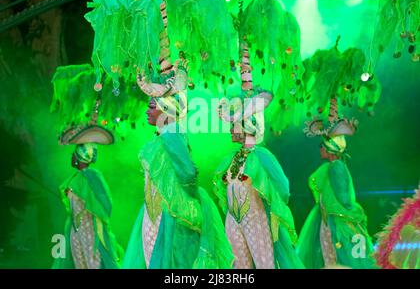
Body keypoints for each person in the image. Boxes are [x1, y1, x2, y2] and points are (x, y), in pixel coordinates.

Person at [123, 86, 233, 269]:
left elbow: (188, 172)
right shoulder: (163, 136)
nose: (147, 111)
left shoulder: (172, 133)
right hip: (154, 212)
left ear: (165, 109)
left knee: (171, 262)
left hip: (169, 210)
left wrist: (184, 198)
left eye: (152, 107)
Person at [213, 88, 304, 269]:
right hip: (233, 219)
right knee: (238, 266)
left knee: (265, 264)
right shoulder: (231, 158)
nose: (230, 129)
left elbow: (283, 187)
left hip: (256, 217)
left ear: (246, 124)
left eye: (234, 124)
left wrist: (270, 207)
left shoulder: (262, 156)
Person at [297, 107, 376, 269]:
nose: (319, 149)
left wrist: (345, 210)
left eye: (322, 145)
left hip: (336, 218)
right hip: (328, 216)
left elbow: (343, 196)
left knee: (339, 253)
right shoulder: (332, 167)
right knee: (330, 254)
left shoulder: (335, 167)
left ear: (329, 149)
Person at [53, 125, 122, 269]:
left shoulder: (92, 176)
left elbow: (104, 202)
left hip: (89, 230)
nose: (71, 156)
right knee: (80, 263)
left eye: (74, 153)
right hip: (76, 230)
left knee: (93, 262)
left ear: (80, 155)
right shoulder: (76, 178)